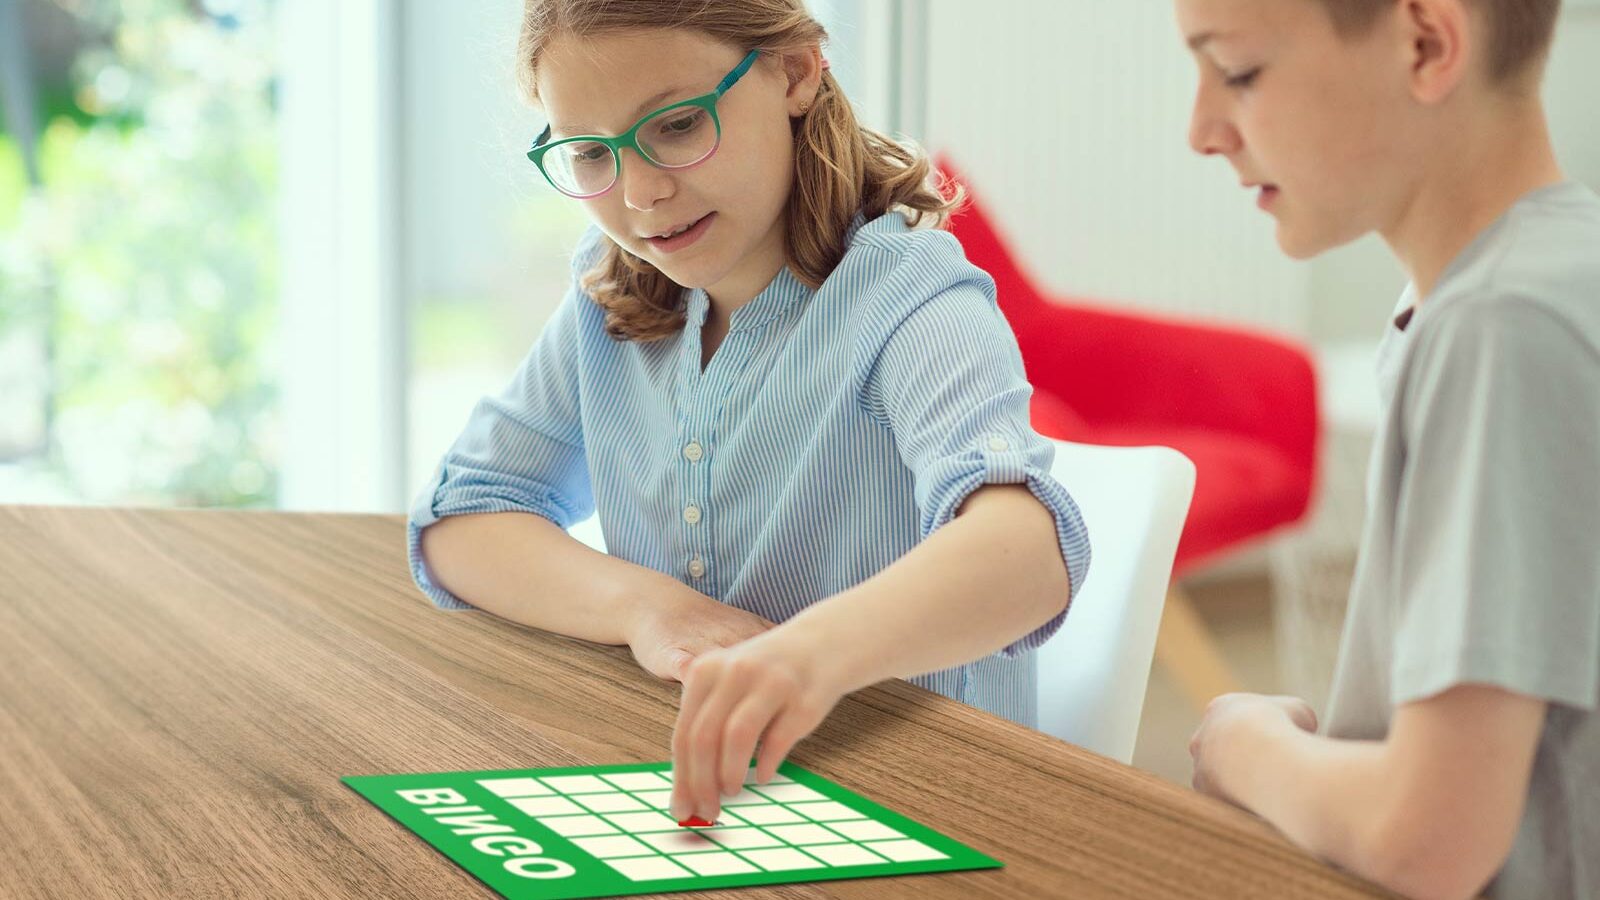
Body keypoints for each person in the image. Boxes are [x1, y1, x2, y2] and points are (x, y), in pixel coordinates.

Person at [410, 0, 1090, 827]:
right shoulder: (609, 292)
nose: (643, 194)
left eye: (678, 124)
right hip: (715, 797)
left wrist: (807, 659)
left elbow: (1027, 554)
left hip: (916, 809)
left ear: (796, 72)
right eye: (591, 152)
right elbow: (463, 519)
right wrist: (649, 609)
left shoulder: (907, 297)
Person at [1177, 0, 1598, 896]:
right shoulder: (1548, 272)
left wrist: (1243, 743)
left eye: (1240, 72)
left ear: (1425, 43)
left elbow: (1428, 839)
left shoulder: (1498, 328)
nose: (1202, 131)